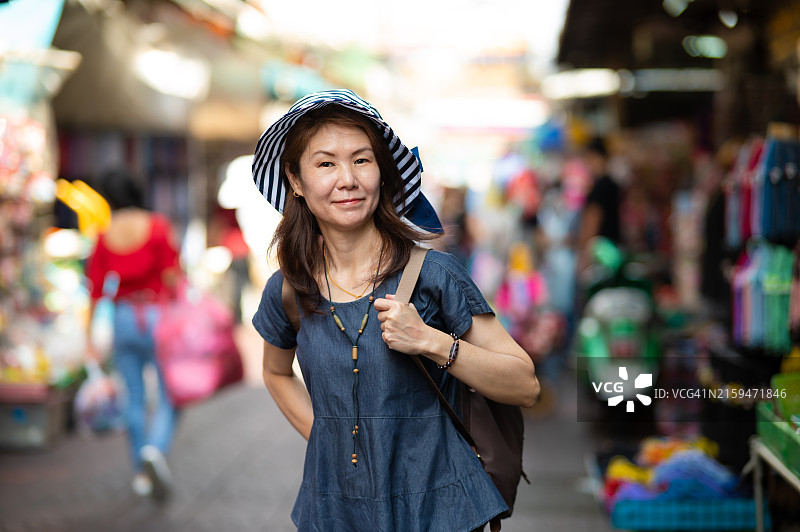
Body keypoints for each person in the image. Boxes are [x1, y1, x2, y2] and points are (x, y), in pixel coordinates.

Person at [251, 89, 540, 531]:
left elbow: (525, 385)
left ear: (382, 173)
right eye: (326, 163)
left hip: (439, 510)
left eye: (362, 160)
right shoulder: (289, 290)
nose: (347, 179)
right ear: (295, 180)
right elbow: (275, 372)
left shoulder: (435, 275)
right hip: (334, 511)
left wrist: (432, 341)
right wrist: (327, 441)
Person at [85, 170, 180, 500]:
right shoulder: (157, 226)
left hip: (122, 319)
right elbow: (171, 276)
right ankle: (155, 448)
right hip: (156, 315)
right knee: (171, 393)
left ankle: (141, 472)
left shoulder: (103, 234)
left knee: (134, 397)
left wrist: (88, 339)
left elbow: (95, 291)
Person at [576, 136, 622, 272]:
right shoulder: (612, 184)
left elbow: (592, 219)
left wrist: (583, 253)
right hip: (613, 248)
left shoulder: (600, 187)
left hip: (601, 252)